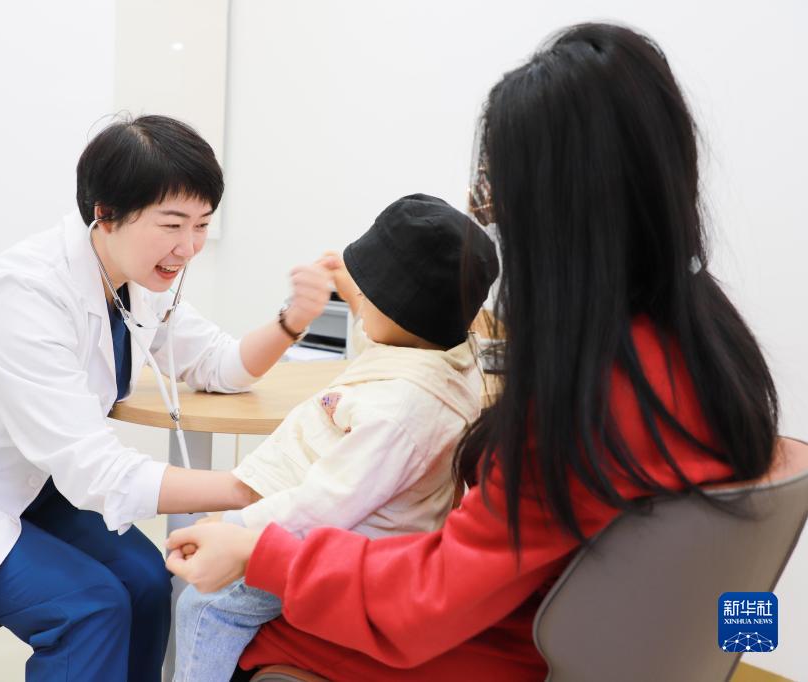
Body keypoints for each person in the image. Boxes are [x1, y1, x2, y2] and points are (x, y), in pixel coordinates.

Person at [165, 24, 779, 681]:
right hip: (613, 640)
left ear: (554, 214)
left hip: (504, 645)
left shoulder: (587, 403)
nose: (490, 214)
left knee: (228, 616)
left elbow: (426, 602)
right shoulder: (709, 347)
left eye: (497, 195)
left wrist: (259, 553)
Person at [0, 115, 336, 682]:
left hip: (33, 487)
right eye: (172, 224)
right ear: (106, 213)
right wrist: (257, 486)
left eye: (202, 225)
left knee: (147, 582)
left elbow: (220, 364)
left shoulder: (130, 277)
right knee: (91, 608)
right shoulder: (22, 293)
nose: (189, 247)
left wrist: (294, 320)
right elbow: (97, 472)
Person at [172, 194, 500, 681]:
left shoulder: (400, 414)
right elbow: (386, 343)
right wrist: (351, 292)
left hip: (343, 549)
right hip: (346, 530)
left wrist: (238, 527)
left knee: (204, 605)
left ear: (400, 310)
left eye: (370, 295)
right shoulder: (440, 358)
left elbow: (325, 504)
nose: (360, 301)